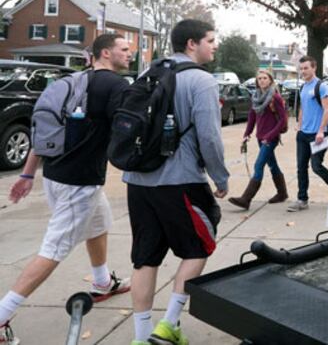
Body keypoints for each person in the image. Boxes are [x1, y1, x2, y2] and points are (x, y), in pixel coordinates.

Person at [0, 34, 133, 344]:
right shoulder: (115, 85)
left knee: (99, 223)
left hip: (56, 175)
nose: (129, 54)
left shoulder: (73, 81)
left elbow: (45, 128)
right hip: (78, 181)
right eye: (124, 49)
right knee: (54, 249)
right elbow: (127, 130)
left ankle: (102, 282)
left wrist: (28, 174)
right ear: (105, 52)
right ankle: (3, 314)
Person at [123, 20, 229, 345]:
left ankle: (141, 338)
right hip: (180, 179)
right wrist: (220, 177)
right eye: (210, 41)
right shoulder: (202, 81)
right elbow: (209, 137)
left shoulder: (147, 74)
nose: (215, 46)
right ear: (192, 44)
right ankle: (169, 325)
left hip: (138, 181)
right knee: (200, 244)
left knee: (145, 256)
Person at [288, 55, 328, 212]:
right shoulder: (303, 87)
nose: (303, 71)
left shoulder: (322, 86)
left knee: (316, 166)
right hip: (303, 135)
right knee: (301, 168)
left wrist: (320, 131)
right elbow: (302, 108)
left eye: (306, 68)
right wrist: (299, 125)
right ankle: (302, 200)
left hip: (319, 134)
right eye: (301, 68)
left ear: (314, 68)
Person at [228, 70, 288, 210]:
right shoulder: (256, 96)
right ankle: (282, 193)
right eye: (259, 78)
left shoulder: (275, 97)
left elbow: (283, 121)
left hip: (270, 139)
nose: (261, 81)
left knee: (258, 165)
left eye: (264, 78)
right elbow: (252, 116)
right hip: (260, 137)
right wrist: (247, 133)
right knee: (272, 164)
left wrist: (270, 136)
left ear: (270, 80)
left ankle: (246, 199)